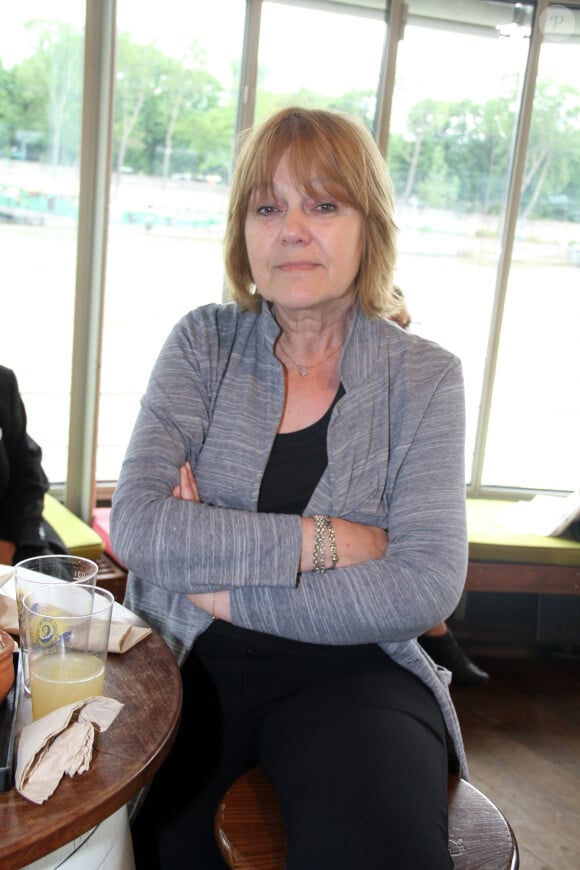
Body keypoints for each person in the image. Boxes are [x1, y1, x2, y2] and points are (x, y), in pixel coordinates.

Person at [110, 107, 469, 869]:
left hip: (356, 672)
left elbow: (424, 586)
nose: (291, 230)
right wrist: (332, 542)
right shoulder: (200, 344)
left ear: (368, 228)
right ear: (244, 233)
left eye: (324, 204)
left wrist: (219, 587)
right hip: (188, 669)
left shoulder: (426, 377)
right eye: (267, 207)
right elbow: (140, 528)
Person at [390, 289, 489, 686]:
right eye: (395, 325)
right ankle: (440, 643)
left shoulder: (426, 380)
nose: (402, 335)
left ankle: (439, 644)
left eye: (406, 325)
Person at [0, 365, 68, 566]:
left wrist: (7, 541)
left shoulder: (3, 381)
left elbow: (28, 469)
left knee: (56, 582)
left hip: (10, 524)